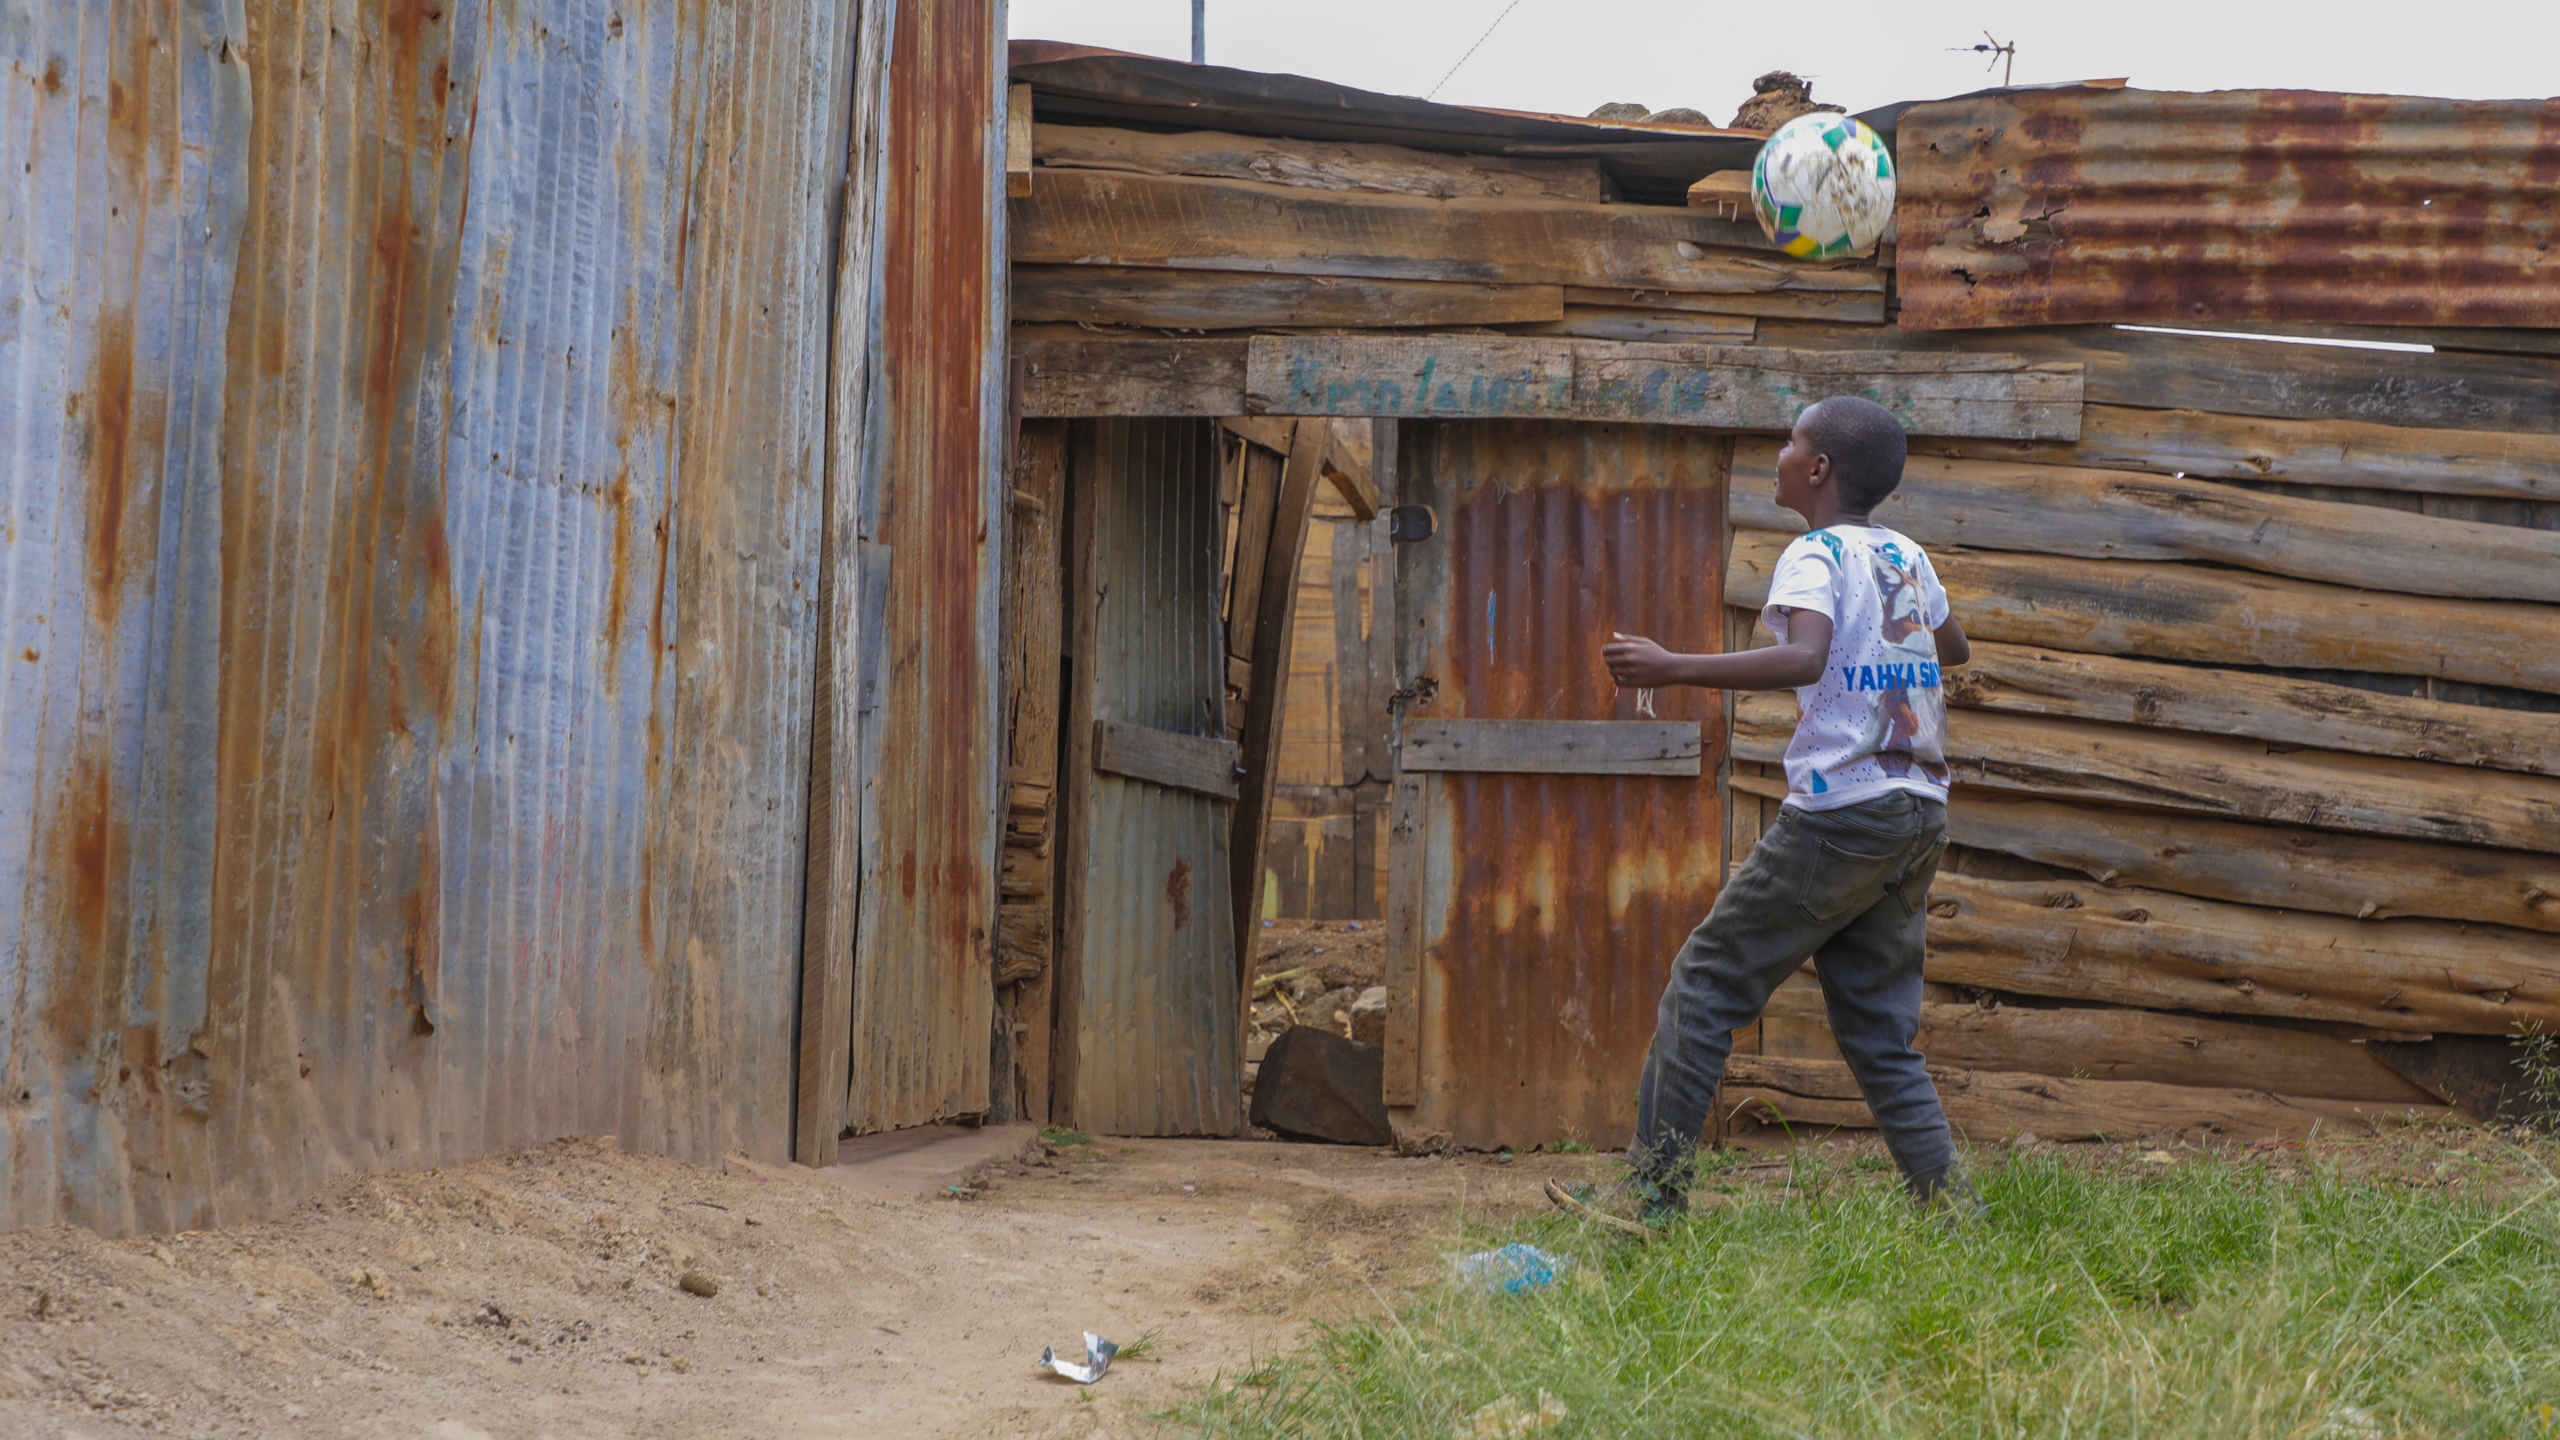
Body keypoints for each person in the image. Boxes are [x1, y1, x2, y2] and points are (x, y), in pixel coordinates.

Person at [1571, 395, 1977, 1230]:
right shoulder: (1906, 555)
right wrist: (1889, 654)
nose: (1782, 453)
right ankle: (1955, 1214)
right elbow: (1953, 646)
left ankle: (1652, 1203)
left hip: (1843, 812)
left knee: (1706, 984)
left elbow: (1805, 654)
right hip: (1917, 810)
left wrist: (1672, 666)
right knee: (1878, 1033)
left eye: (1792, 443)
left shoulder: (1814, 551)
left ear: (1819, 469)